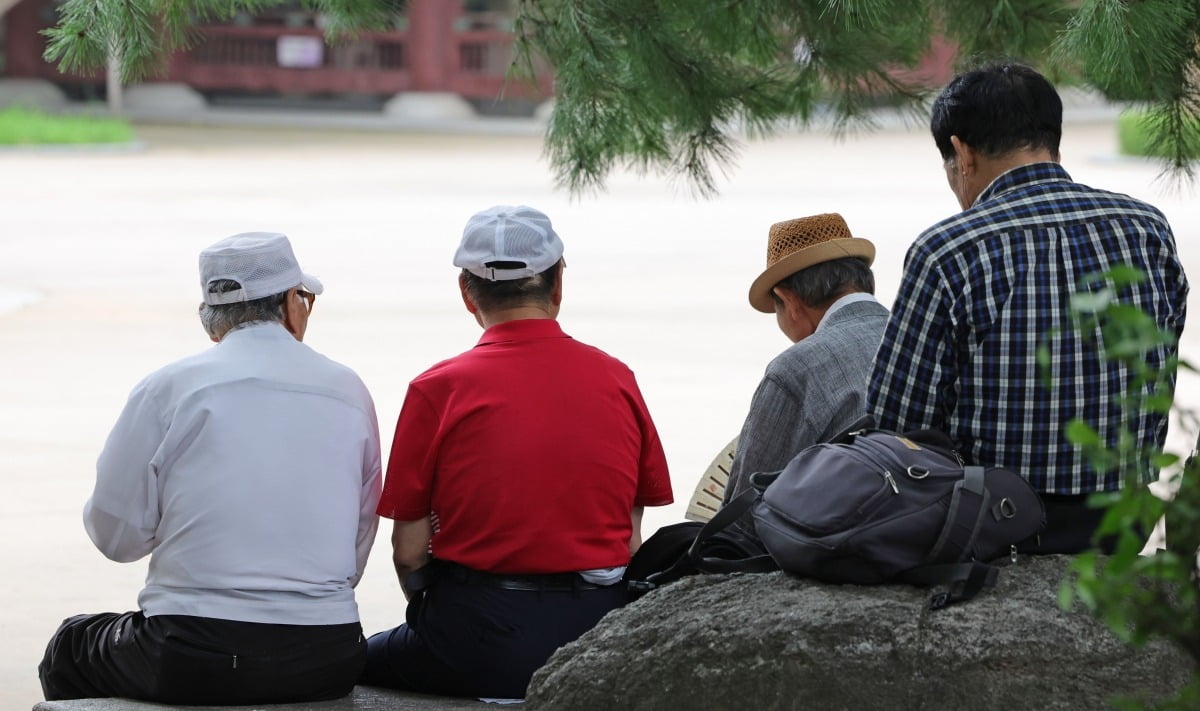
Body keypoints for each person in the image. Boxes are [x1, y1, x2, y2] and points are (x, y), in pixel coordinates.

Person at [39, 232, 382, 704]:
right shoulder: (348, 390)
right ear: (290, 303)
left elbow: (115, 540)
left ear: (209, 320)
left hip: (191, 653)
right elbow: (356, 544)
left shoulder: (168, 388)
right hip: (328, 653)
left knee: (70, 647)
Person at [867, 63, 1189, 554]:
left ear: (961, 153)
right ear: (1051, 140)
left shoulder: (950, 249)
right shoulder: (1146, 228)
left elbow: (895, 424)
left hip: (995, 531)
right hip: (1121, 523)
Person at [361, 205, 673, 700]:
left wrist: (433, 614)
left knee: (358, 661)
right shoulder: (617, 379)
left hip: (474, 637)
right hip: (595, 638)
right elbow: (630, 541)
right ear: (559, 284)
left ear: (467, 293)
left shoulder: (436, 389)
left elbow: (408, 551)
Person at [721, 213, 889, 536]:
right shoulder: (922, 337)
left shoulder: (795, 370)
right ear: (868, 282)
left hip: (844, 546)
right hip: (933, 528)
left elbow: (741, 514)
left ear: (789, 300)